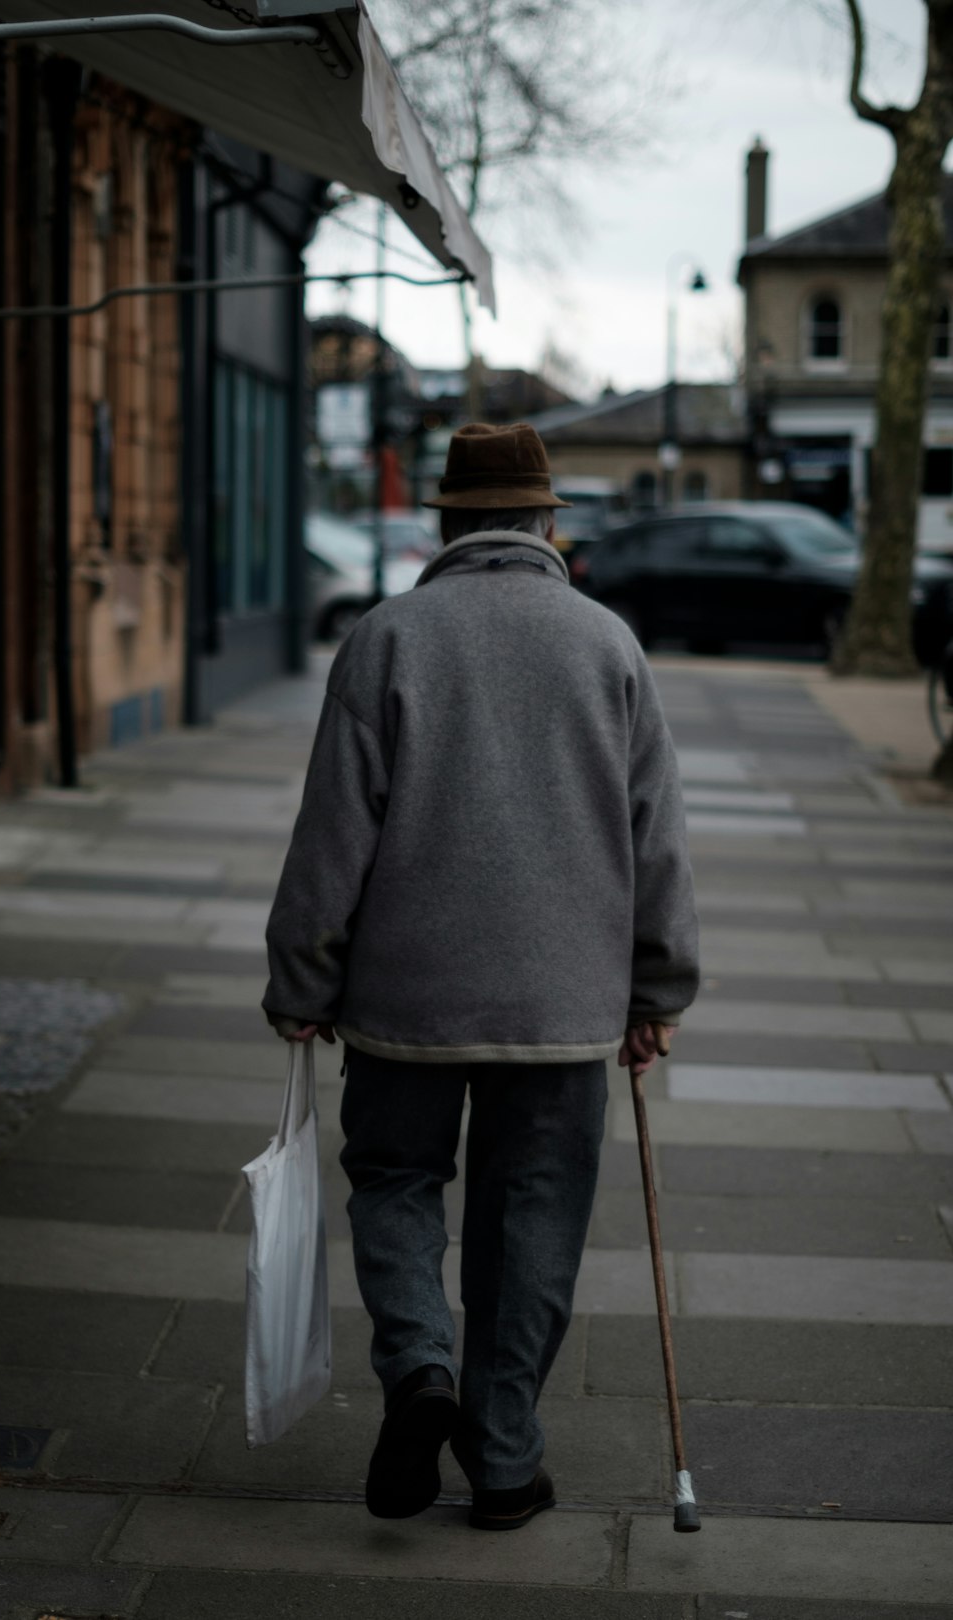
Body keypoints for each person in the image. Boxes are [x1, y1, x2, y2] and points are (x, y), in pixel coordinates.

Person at [263, 421, 699, 1531]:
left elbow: (331, 836)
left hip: (406, 997)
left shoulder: (387, 637)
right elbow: (656, 841)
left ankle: (420, 1372)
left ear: (446, 524)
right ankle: (504, 1457)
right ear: (549, 524)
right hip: (563, 1004)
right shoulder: (609, 646)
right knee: (534, 1217)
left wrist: (303, 979)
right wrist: (657, 990)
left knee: (399, 1180)